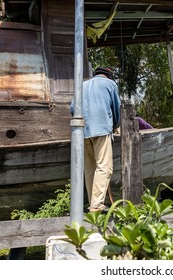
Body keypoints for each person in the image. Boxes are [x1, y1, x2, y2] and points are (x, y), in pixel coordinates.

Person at [70, 67, 121, 212]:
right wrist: (115, 125)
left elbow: (73, 108)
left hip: (83, 131)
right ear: (108, 77)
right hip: (102, 128)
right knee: (104, 167)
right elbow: (116, 110)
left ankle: (93, 203)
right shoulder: (110, 85)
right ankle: (97, 205)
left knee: (90, 168)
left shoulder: (82, 85)